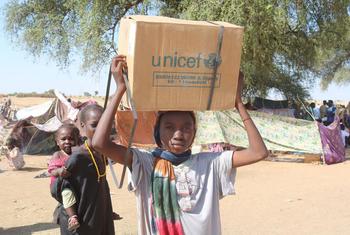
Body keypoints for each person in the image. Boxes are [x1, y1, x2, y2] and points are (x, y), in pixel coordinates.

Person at [92, 55, 269, 234]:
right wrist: (120, 89)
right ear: (158, 132)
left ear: (194, 133)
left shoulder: (210, 163)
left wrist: (238, 102)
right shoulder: (144, 163)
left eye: (186, 127)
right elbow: (99, 143)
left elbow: (258, 152)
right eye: (169, 127)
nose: (178, 134)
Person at [56, 104, 115, 235]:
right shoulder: (78, 157)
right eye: (94, 125)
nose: (101, 129)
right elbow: (62, 189)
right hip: (82, 224)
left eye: (104, 124)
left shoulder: (102, 152)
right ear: (82, 126)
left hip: (100, 216)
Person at [48, 123, 80, 232]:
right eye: (63, 139)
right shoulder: (58, 155)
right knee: (67, 193)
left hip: (75, 184)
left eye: (71, 139)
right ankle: (72, 217)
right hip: (60, 186)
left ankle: (106, 211)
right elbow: (52, 171)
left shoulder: (78, 153)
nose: (67, 141)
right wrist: (59, 171)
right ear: (57, 142)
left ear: (77, 140)